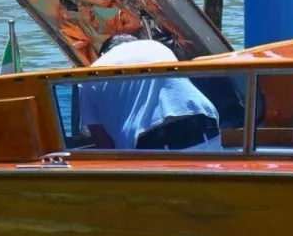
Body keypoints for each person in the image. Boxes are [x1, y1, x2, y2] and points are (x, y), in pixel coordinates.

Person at [77, 35, 222, 151]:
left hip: (148, 138)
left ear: (102, 53)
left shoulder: (92, 73)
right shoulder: (157, 47)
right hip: (203, 117)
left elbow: (103, 144)